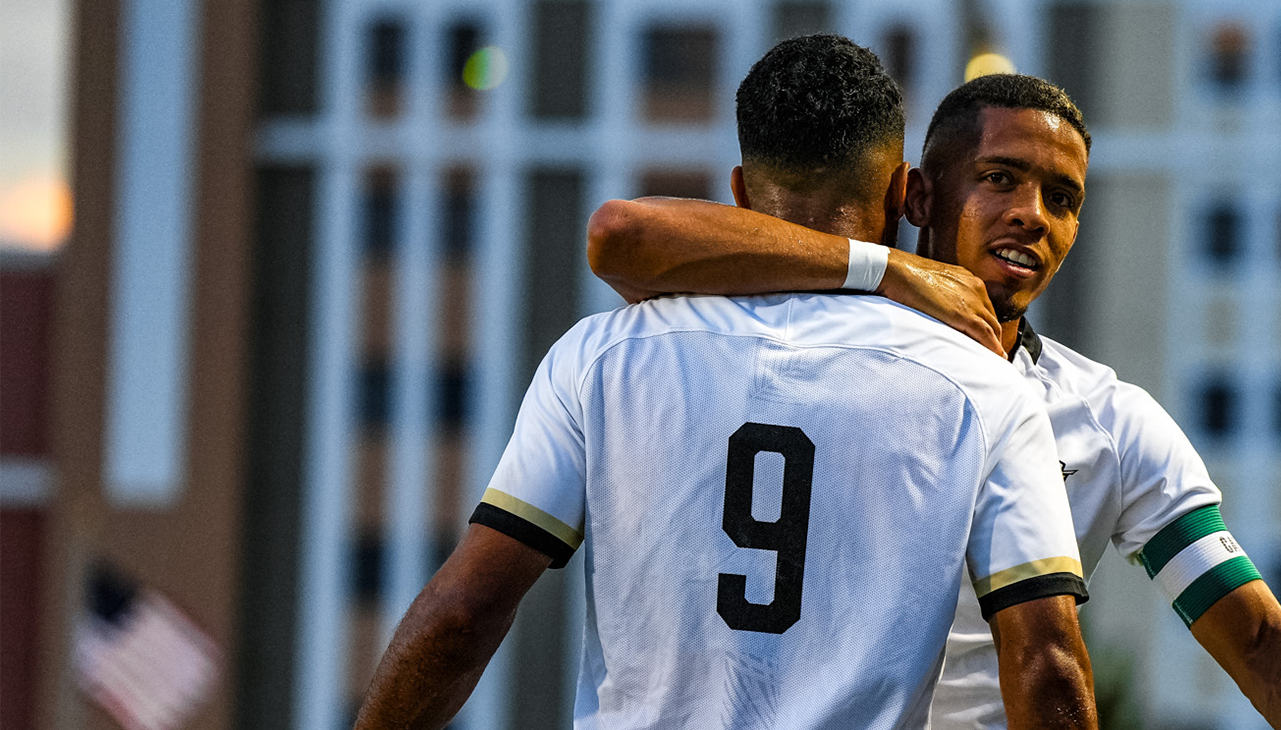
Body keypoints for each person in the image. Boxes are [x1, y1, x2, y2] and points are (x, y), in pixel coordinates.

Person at [585, 73, 1281, 730]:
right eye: (1000, 179)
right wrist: (885, 271)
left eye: (1062, 198)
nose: (1033, 213)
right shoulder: (813, 364)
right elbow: (622, 236)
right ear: (919, 199)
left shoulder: (1112, 421)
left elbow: (1260, 636)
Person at [352, 37, 1100, 730]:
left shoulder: (602, 356)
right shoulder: (988, 388)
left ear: (739, 192)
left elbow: (463, 613)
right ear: (905, 192)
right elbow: (1047, 665)